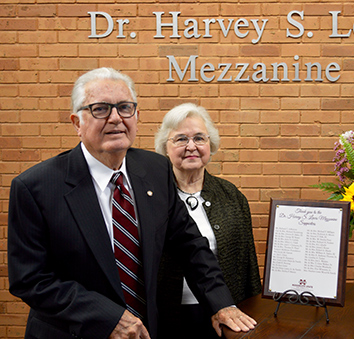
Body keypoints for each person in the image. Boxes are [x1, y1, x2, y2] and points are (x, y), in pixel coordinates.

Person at [7, 67, 256, 339]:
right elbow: (30, 280)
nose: (116, 118)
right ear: (77, 123)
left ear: (137, 116)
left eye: (125, 107)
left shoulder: (156, 170)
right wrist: (107, 317)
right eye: (100, 109)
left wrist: (221, 303)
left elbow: (190, 245)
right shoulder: (35, 187)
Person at [154, 103, 262, 337]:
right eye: (180, 139)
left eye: (199, 138)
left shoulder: (231, 195)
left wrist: (254, 308)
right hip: (165, 317)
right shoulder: (151, 198)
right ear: (166, 147)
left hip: (224, 316)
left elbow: (248, 264)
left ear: (210, 145)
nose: (191, 146)